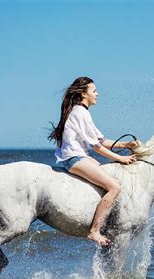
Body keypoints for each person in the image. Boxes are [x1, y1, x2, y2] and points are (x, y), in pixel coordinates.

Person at [48, 77, 138, 246]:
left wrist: (126, 145)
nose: (97, 94)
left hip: (78, 157)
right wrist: (120, 158)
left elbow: (102, 141)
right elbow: (96, 147)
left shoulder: (79, 111)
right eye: (94, 91)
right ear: (83, 93)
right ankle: (94, 231)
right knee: (115, 187)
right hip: (74, 159)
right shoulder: (81, 112)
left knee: (110, 177)